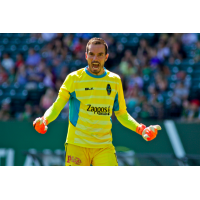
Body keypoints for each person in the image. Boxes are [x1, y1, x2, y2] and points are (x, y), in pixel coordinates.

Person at [33, 37, 161, 166]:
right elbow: (56, 106)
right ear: (86, 55)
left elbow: (121, 113)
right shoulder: (74, 79)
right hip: (77, 144)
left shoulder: (115, 81)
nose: (95, 59)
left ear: (106, 57)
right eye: (92, 54)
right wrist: (44, 120)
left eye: (100, 55)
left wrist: (140, 129)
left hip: (104, 146)